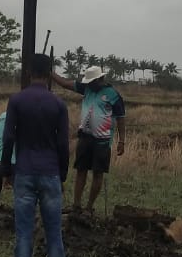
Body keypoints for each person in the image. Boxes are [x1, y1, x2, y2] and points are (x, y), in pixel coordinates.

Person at [1, 53, 71, 257]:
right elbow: (63, 144)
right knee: (54, 231)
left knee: (24, 230)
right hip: (50, 171)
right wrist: (62, 175)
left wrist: (6, 170)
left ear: (29, 72)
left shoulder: (17, 101)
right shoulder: (58, 105)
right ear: (50, 73)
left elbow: (8, 137)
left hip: (24, 170)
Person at [51, 64, 126, 215]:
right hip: (85, 138)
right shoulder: (86, 88)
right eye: (89, 82)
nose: (90, 84)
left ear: (101, 79)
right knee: (81, 170)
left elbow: (121, 118)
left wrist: (121, 141)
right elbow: (65, 83)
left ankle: (89, 207)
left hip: (103, 141)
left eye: (93, 82)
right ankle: (76, 205)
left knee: (98, 173)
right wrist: (49, 73)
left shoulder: (113, 94)